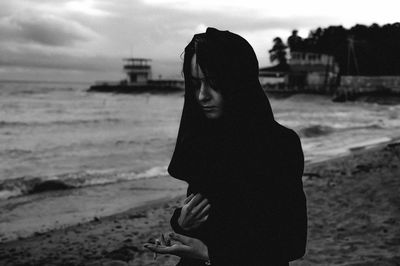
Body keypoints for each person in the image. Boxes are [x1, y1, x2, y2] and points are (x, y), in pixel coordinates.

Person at [144, 27, 307, 266]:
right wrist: (182, 223)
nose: (202, 96)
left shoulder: (279, 145)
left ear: (237, 82)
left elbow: (291, 242)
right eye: (196, 83)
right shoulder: (205, 140)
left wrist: (210, 253)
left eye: (213, 83)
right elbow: (205, 214)